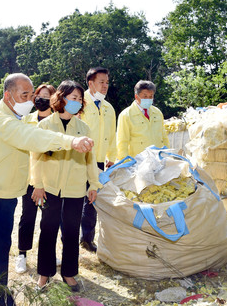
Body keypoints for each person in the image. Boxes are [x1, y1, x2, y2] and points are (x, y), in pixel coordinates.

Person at [0, 73, 94, 306]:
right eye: (25, 95)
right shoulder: (0, 117)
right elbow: (30, 137)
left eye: (31, 95)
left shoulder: (14, 115)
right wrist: (69, 141)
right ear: (7, 95)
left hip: (8, 190)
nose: (30, 100)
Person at [31, 80, 101, 293]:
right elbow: (35, 157)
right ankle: (44, 274)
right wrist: (38, 185)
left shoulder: (83, 127)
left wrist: (94, 184)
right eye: (73, 98)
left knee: (71, 231)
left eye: (80, 99)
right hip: (50, 188)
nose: (77, 102)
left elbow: (91, 159)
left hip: (75, 188)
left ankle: (69, 273)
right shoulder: (45, 125)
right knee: (48, 229)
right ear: (61, 98)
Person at [15, 83, 56, 274]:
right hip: (30, 178)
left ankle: (48, 254)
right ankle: (22, 253)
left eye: (46, 96)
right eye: (38, 95)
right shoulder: (26, 119)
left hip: (51, 179)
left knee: (49, 219)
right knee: (28, 215)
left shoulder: (57, 121)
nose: (41, 99)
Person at [78, 67, 116, 253]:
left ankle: (87, 238)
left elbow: (112, 135)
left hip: (99, 161)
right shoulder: (80, 103)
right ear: (90, 83)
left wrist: (112, 157)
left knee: (92, 201)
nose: (105, 86)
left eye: (107, 82)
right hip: (78, 160)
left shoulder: (108, 108)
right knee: (75, 199)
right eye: (101, 82)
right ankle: (68, 237)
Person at [116, 80, 170, 160]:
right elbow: (122, 143)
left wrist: (168, 155)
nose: (148, 99)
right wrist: (125, 163)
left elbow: (164, 137)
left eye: (151, 96)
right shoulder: (126, 115)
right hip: (138, 162)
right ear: (136, 96)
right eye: (145, 96)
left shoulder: (157, 113)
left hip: (159, 159)